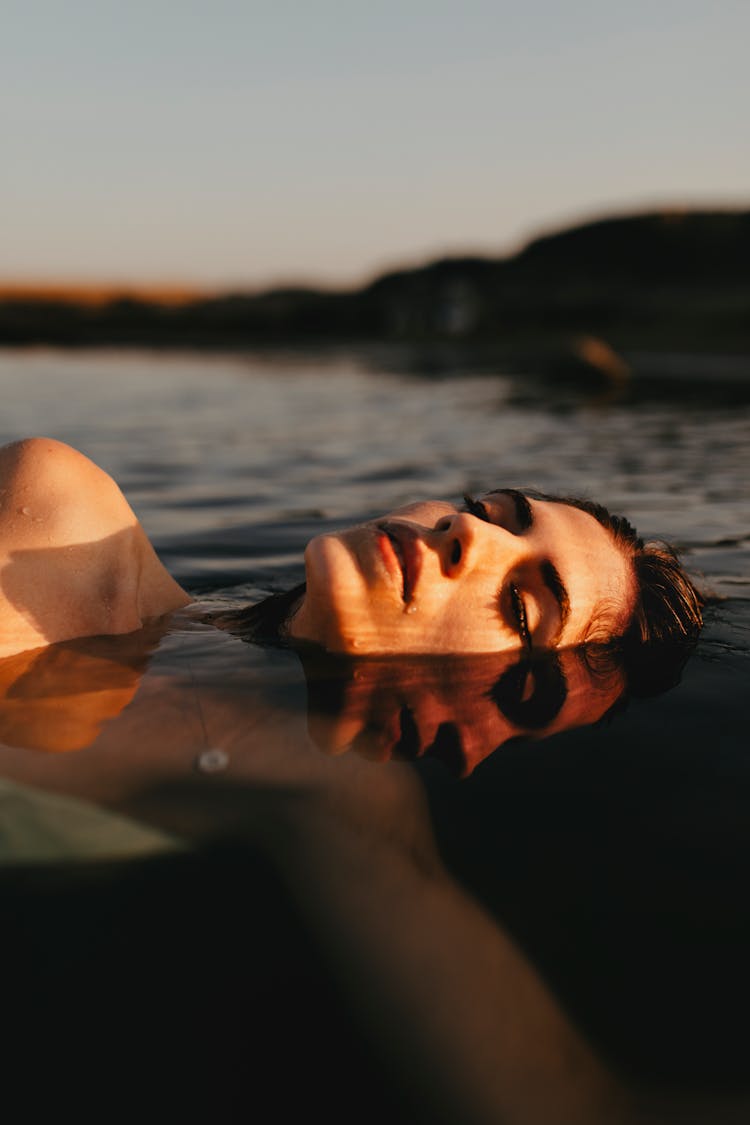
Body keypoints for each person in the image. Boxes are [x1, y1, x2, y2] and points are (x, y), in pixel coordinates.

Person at [0, 436, 703, 661]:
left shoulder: (315, 794)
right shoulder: (58, 512)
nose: (470, 534)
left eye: (521, 607)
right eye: (484, 512)